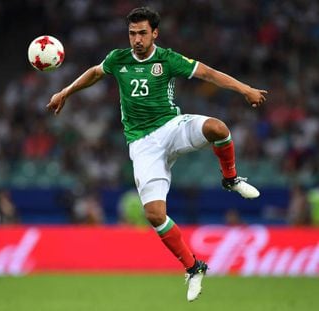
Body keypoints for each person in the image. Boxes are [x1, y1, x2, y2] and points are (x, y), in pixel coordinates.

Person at [47, 7, 267, 302]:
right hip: (142, 145)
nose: (136, 39)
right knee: (154, 215)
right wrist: (65, 92)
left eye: (142, 33)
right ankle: (193, 267)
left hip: (171, 127)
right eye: (132, 33)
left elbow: (208, 73)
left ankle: (230, 178)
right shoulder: (118, 59)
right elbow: (95, 73)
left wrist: (245, 89)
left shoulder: (167, 59)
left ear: (154, 33)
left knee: (218, 127)